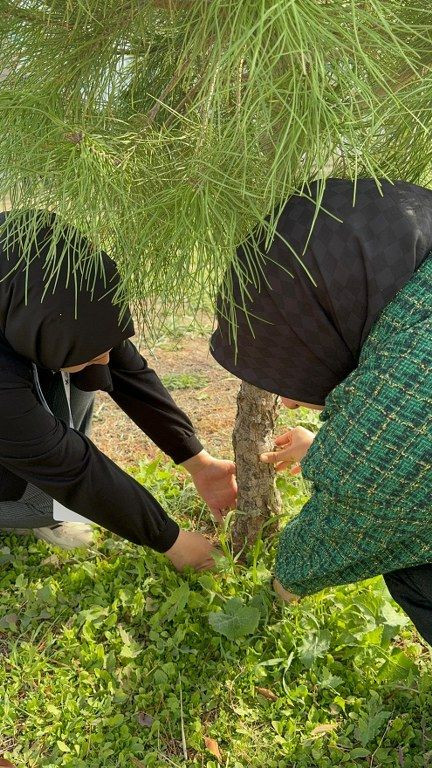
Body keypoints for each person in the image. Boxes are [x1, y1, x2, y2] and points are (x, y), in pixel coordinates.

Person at [211, 178, 432, 643]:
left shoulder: (400, 414)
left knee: (412, 570)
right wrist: (326, 450)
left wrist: (274, 593)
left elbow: (336, 535)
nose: (287, 401)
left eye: (294, 370)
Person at [0, 210, 237, 569]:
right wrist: (171, 541)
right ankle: (37, 511)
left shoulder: (35, 283)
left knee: (89, 369)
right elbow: (72, 470)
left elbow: (126, 370)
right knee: (55, 495)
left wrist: (198, 462)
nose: (109, 356)